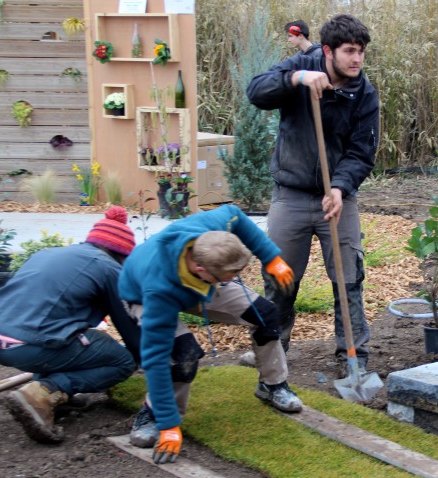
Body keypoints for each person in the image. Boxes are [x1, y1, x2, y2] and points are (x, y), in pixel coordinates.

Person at [246, 14, 379, 378]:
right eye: (350, 51)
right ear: (328, 51)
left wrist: (339, 187)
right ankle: (272, 349)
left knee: (348, 277)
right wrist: (296, 79)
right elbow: (256, 92)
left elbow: (361, 152)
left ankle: (353, 354)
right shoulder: (300, 66)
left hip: (338, 199)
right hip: (291, 194)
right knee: (280, 277)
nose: (357, 59)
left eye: (361, 52)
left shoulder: (363, 93)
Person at [118, 204, 301, 465]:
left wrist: (271, 257)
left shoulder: (207, 233)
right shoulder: (159, 292)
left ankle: (272, 385)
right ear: (203, 270)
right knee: (182, 355)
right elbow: (154, 359)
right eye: (234, 274)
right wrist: (170, 425)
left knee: (266, 315)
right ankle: (154, 414)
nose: (239, 277)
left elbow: (235, 215)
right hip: (144, 295)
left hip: (200, 283)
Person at [0, 207, 140, 444]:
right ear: (122, 254)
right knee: (121, 361)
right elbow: (128, 323)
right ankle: (45, 392)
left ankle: (56, 395)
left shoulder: (47, 253)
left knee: (69, 334)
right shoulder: (108, 268)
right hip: (33, 345)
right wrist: (144, 358)